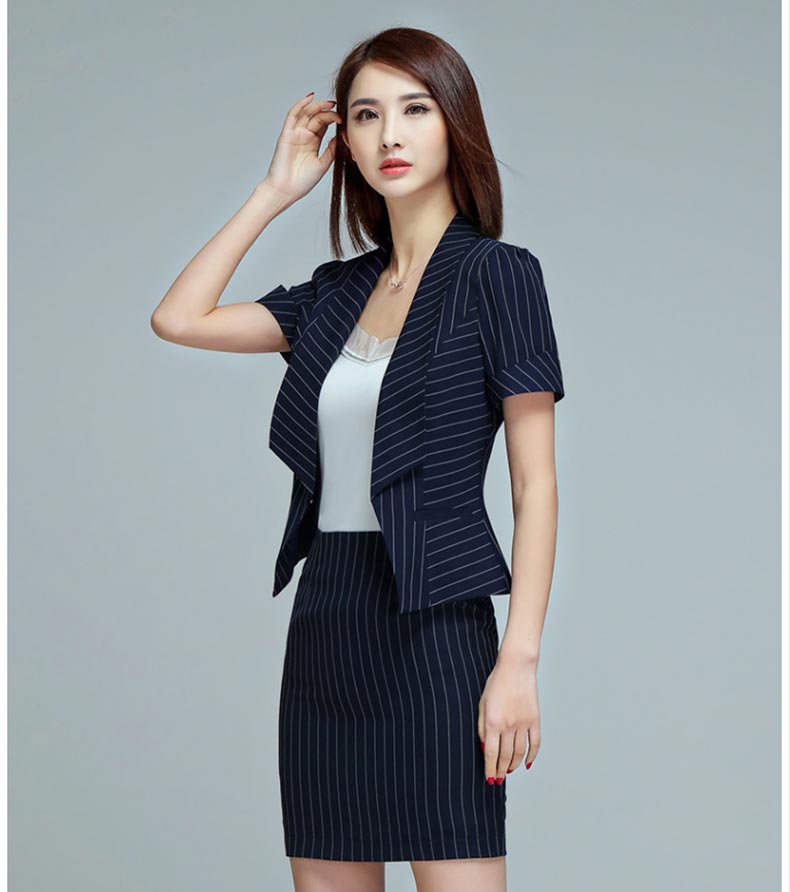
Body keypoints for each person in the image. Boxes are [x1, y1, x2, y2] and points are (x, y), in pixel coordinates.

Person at [151, 26, 565, 892]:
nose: (390, 136)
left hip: (437, 622)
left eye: (415, 109)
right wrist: (273, 192)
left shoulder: (499, 276)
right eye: (367, 115)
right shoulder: (336, 293)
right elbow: (179, 319)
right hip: (329, 618)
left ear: (454, 124)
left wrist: (517, 660)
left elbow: (535, 484)